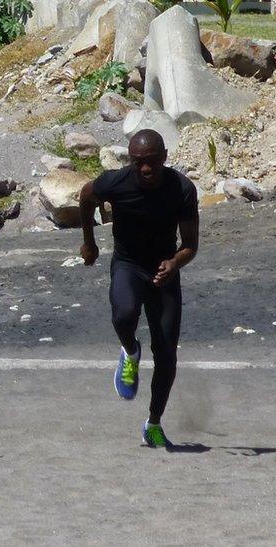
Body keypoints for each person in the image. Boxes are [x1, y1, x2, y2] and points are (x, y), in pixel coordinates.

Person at [78, 129, 199, 448]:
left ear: (164, 157)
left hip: (164, 271)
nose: (145, 169)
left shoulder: (182, 189)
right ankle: (130, 351)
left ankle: (154, 423)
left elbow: (190, 245)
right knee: (124, 315)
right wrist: (89, 243)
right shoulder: (116, 182)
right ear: (131, 161)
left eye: (152, 162)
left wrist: (175, 264)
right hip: (129, 264)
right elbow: (85, 197)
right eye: (138, 162)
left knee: (167, 356)